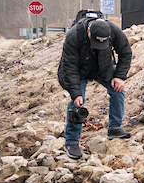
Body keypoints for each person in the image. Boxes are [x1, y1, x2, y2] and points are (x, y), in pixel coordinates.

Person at [57, 13, 132, 160]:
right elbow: (69, 67)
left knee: (118, 91)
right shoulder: (74, 35)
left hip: (102, 68)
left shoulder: (113, 30)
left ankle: (114, 128)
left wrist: (120, 77)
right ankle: (71, 142)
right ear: (89, 32)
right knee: (77, 101)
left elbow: (126, 53)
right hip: (78, 71)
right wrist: (76, 93)